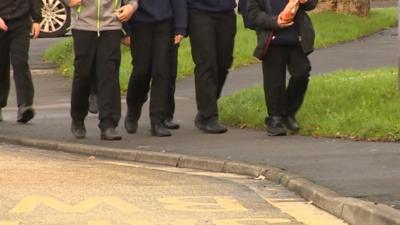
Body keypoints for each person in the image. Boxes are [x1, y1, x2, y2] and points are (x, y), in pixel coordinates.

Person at [68, 0, 137, 140]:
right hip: (83, 25)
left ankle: (108, 124)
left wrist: (131, 6)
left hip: (111, 25)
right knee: (83, 74)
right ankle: (78, 118)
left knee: (109, 74)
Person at [247, 0, 317, 136]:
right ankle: (275, 118)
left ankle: (288, 113)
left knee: (302, 73)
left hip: (296, 39)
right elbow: (253, 13)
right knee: (274, 81)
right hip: (272, 40)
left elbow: (311, 5)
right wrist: (275, 22)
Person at [124, 0, 187, 137]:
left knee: (161, 71)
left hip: (165, 23)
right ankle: (133, 109)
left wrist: (180, 27)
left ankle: (157, 121)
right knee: (141, 71)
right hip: (139, 24)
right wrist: (125, 30)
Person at [187, 0, 238, 134]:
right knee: (206, 63)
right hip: (199, 12)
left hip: (226, 12)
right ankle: (209, 116)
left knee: (224, 63)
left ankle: (207, 106)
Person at [0, 0, 42, 123]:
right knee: (1, 65)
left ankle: (25, 105)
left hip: (21, 23)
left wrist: (37, 20)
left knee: (20, 62)